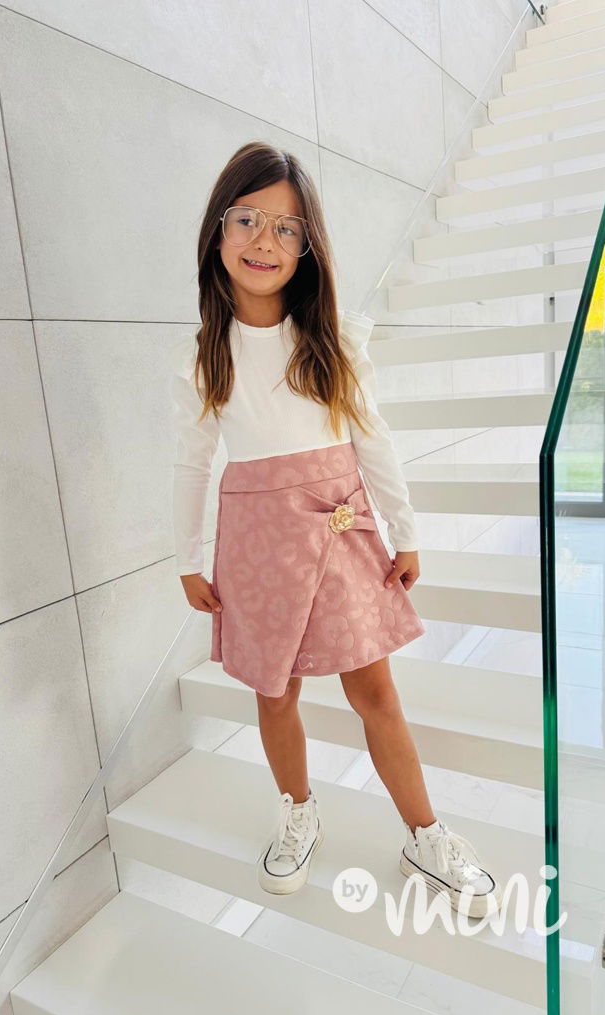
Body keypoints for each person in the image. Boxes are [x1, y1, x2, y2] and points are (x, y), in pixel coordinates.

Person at [172, 140, 501, 918]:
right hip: (254, 540)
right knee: (274, 689)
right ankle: (298, 812)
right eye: (247, 219)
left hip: (338, 527)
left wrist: (404, 529)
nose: (264, 241)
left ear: (306, 247)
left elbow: (371, 437)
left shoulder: (333, 339)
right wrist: (187, 557)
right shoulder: (205, 356)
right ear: (217, 232)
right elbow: (191, 462)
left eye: (286, 228)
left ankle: (425, 835)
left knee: (374, 688)